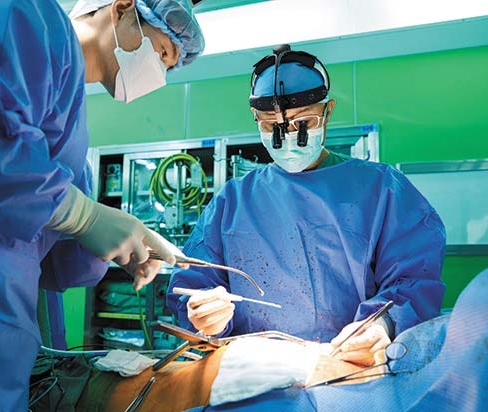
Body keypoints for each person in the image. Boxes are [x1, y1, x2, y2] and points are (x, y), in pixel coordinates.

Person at [0, 0, 203, 410]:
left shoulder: (72, 135)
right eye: (161, 52)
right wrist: (83, 216)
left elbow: (55, 263)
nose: (158, 72)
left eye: (168, 67)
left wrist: (124, 247)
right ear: (122, 8)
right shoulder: (27, 14)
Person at [167, 45, 446, 368]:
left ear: (328, 112)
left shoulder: (382, 189)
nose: (287, 137)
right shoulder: (232, 201)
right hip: (256, 376)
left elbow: (413, 281)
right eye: (271, 125)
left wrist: (383, 324)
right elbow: (193, 285)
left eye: (303, 121)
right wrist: (206, 318)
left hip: (352, 369)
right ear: (256, 118)